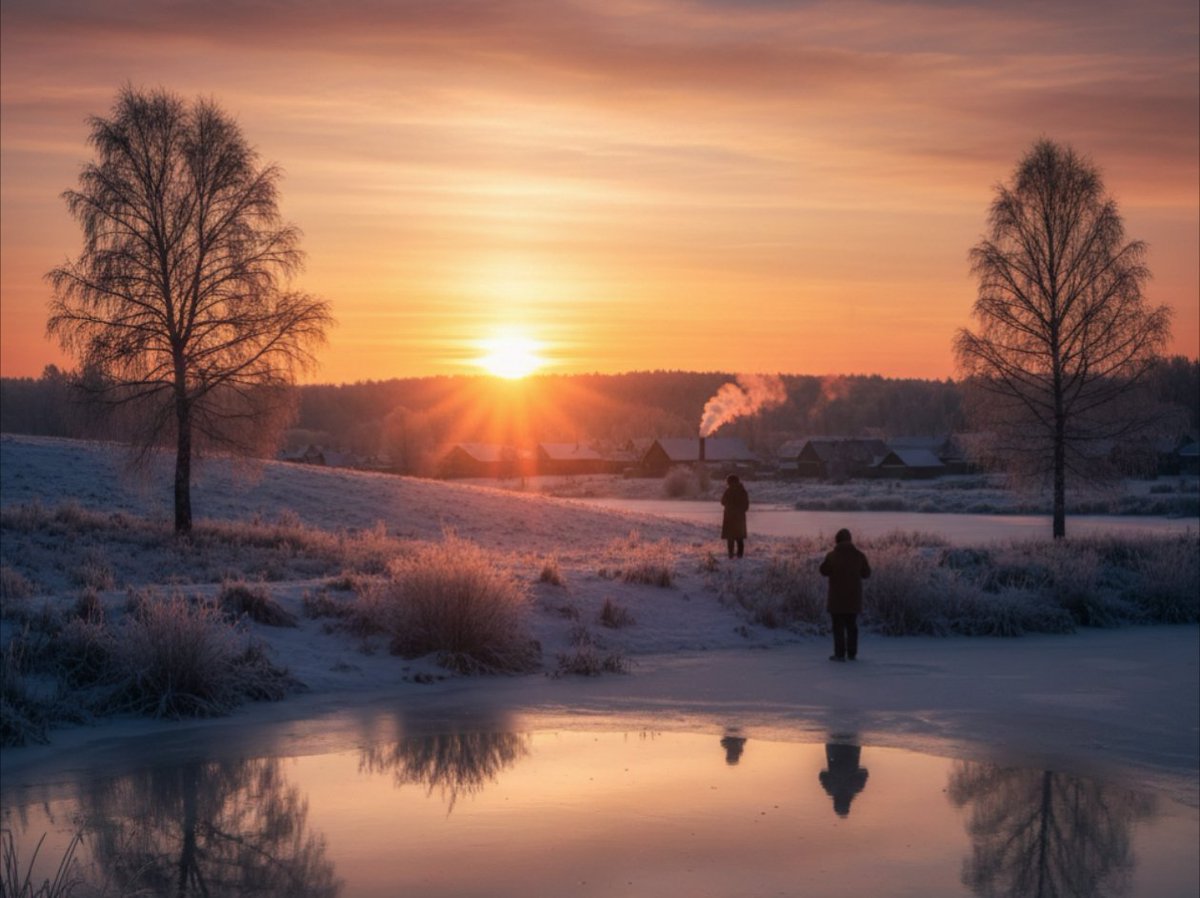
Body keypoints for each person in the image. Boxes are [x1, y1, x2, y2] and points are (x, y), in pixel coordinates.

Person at [819, 528, 870, 661]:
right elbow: (866, 574)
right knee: (852, 626)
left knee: (838, 627)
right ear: (850, 540)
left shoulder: (832, 555)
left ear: (837, 540)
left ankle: (839, 654)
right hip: (854, 598)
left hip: (836, 598)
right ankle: (852, 654)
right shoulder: (859, 555)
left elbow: (823, 571)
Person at [720, 473, 749, 558]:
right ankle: (739, 556)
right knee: (739, 538)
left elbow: (722, 501)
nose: (728, 484)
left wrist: (731, 508)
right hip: (739, 518)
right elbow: (746, 506)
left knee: (731, 538)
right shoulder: (742, 491)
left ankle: (731, 556)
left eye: (728, 482)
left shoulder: (728, 491)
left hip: (730, 518)